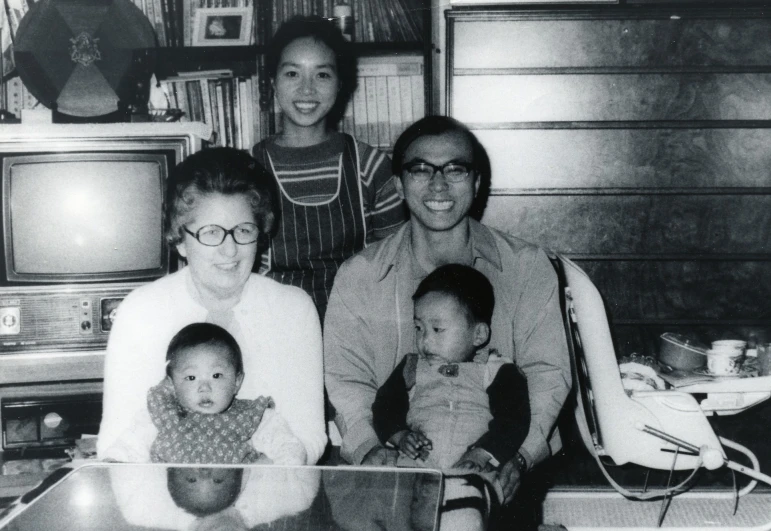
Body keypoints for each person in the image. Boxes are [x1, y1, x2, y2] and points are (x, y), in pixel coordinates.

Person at [324, 116, 571, 505]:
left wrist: (517, 460)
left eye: (455, 169)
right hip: (391, 475)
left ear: (476, 183)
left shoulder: (527, 266)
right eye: (420, 169)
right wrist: (373, 450)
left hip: (500, 473)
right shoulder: (359, 276)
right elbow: (348, 382)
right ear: (400, 185)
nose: (438, 185)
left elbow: (547, 375)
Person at [97, 147, 326, 464]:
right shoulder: (141, 312)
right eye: (211, 233)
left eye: (244, 231)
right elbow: (117, 444)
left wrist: (261, 484)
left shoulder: (293, 309)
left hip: (268, 497)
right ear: (179, 239)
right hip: (163, 502)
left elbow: (307, 434)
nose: (230, 250)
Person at [252, 15, 406, 321]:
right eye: (292, 73)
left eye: (322, 75)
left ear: (341, 85)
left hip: (359, 329)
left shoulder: (371, 166)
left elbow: (394, 266)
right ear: (273, 82)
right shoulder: (248, 170)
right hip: (274, 327)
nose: (307, 89)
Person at [372, 264, 530, 472]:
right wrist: (401, 436)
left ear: (478, 335)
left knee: (485, 491)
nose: (425, 340)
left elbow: (513, 422)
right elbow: (384, 406)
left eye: (438, 329)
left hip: (473, 466)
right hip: (416, 465)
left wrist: (482, 453)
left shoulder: (497, 370)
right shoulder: (412, 367)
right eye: (419, 328)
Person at [144, 322, 306, 464]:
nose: (204, 387)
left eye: (216, 376)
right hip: (169, 495)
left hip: (242, 495)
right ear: (172, 385)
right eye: (191, 377)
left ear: (237, 382)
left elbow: (289, 448)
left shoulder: (253, 417)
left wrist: (273, 474)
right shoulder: (164, 414)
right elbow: (127, 451)